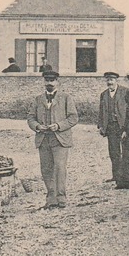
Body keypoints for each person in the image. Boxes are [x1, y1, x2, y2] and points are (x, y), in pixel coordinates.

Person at [27, 70, 78, 209]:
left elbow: (73, 118)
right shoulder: (38, 99)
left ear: (57, 82)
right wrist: (37, 126)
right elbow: (30, 117)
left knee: (60, 168)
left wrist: (58, 125)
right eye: (47, 80)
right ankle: (51, 199)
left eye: (52, 80)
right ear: (44, 82)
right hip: (43, 139)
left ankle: (61, 199)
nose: (49, 83)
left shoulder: (66, 98)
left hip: (60, 139)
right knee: (46, 169)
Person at [97, 71, 127, 183]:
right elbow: (101, 111)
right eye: (108, 80)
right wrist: (100, 125)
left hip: (122, 126)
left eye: (112, 80)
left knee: (125, 150)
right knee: (113, 152)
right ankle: (116, 176)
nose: (110, 82)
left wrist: (127, 127)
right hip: (110, 126)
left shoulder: (125, 92)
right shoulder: (103, 94)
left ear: (116, 80)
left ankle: (126, 176)